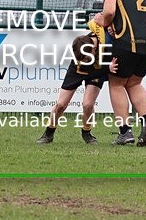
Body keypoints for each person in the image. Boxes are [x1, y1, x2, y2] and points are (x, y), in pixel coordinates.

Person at [96, 0, 146, 146]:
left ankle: (125, 131)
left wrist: (104, 23)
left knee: (116, 84)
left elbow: (109, 11)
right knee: (134, 83)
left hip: (126, 42)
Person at [36, 16, 112, 145]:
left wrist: (108, 67)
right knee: (61, 105)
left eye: (86, 59)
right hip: (77, 71)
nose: (84, 60)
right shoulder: (80, 47)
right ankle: (49, 132)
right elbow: (93, 21)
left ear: (94, 49)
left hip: (98, 71)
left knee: (88, 105)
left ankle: (86, 132)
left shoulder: (106, 43)